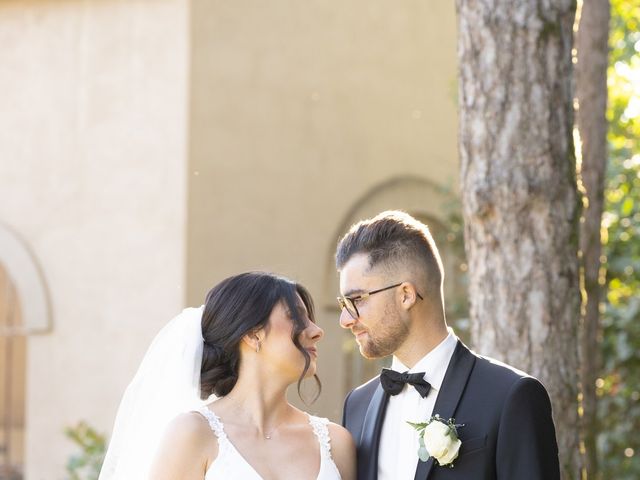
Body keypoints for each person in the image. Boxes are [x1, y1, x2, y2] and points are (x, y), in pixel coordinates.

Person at [335, 211, 560, 480]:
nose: (345, 319)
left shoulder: (511, 396)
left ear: (405, 294)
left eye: (357, 299)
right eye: (344, 304)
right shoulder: (357, 406)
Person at [99, 271, 355, 480]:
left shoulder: (335, 442)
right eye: (296, 318)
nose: (317, 330)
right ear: (253, 334)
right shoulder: (192, 434)